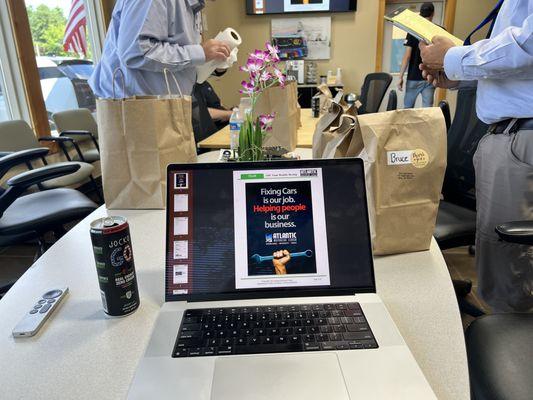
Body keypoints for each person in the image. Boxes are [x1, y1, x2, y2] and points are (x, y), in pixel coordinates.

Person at [419, 0, 533, 312]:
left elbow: (527, 44)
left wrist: (452, 56)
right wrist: (459, 75)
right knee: (499, 259)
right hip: (506, 134)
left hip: (521, 136)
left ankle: (508, 350)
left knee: (509, 267)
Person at [89, 0, 230, 98]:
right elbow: (135, 52)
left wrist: (211, 63)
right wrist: (200, 53)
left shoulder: (193, 6)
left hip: (163, 108)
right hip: (134, 110)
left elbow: (175, 60)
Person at [397, 2, 436, 108]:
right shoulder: (438, 32)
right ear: (433, 14)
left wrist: (400, 77)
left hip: (413, 78)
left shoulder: (413, 32)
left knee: (407, 111)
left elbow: (407, 56)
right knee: (427, 112)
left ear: (420, 14)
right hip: (429, 77)